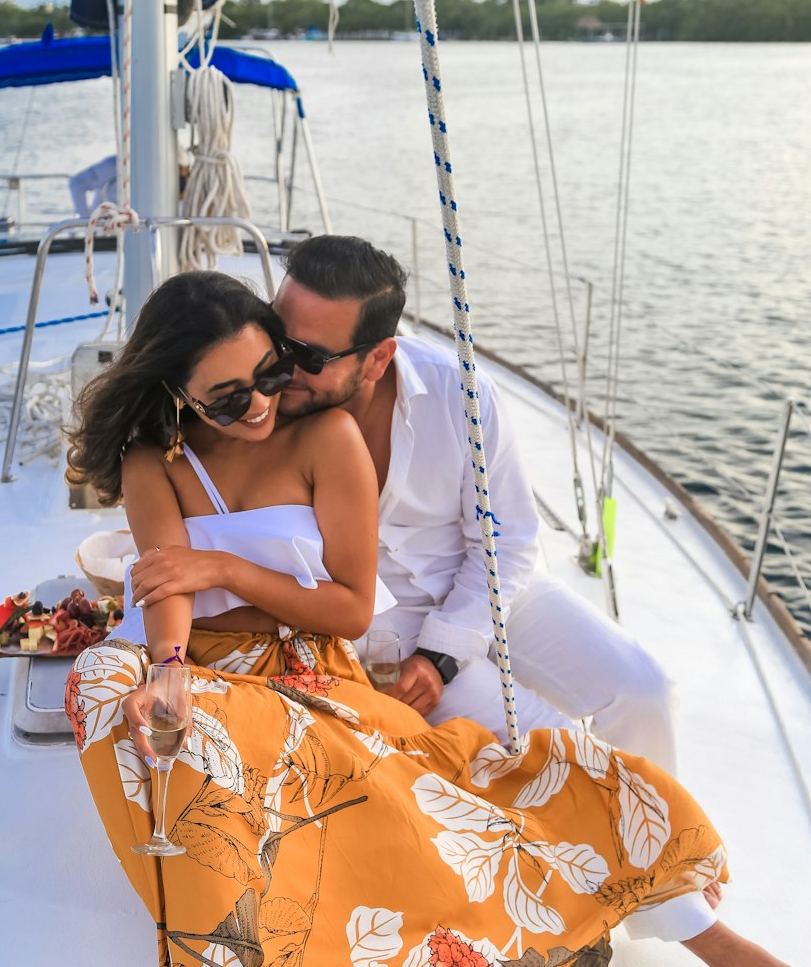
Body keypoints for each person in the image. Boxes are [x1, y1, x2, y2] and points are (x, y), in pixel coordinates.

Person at [63, 270, 809, 967]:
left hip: (309, 668)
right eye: (227, 394)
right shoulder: (152, 459)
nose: (258, 405)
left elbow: (348, 605)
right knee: (113, 689)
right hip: (205, 668)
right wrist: (167, 664)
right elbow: (163, 582)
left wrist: (224, 564)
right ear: (175, 392)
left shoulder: (322, 433)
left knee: (401, 787)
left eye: (270, 373)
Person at [273, 235, 679, 770]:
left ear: (376, 360)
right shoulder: (263, 409)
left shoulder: (460, 391)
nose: (282, 366)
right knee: (568, 760)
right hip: (389, 634)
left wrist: (444, 653)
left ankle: (671, 851)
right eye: (277, 338)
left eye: (310, 356)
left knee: (646, 691)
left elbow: (506, 539)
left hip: (494, 593)